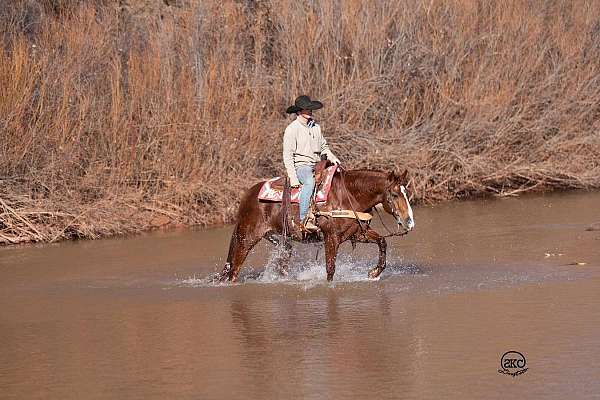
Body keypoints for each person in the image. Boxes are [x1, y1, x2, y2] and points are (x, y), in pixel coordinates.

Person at [283, 95, 341, 231]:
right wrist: (293, 177)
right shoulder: (292, 129)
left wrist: (333, 158)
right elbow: (287, 155)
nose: (309, 111)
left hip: (317, 165)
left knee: (338, 177)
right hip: (301, 166)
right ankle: (304, 219)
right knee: (310, 182)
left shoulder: (316, 127)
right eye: (306, 109)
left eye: (310, 109)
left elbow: (323, 147)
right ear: (298, 112)